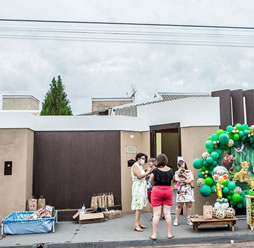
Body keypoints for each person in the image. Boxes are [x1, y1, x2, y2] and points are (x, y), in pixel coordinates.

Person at [149, 154, 175, 240]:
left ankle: (154, 235)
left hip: (157, 191)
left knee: (156, 214)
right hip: (168, 190)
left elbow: (151, 181)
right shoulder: (171, 170)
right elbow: (172, 181)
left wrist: (156, 184)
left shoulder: (155, 170)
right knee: (167, 213)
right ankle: (169, 233)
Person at [131, 152, 152, 232]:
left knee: (140, 206)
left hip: (141, 187)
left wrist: (147, 171)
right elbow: (139, 176)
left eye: (144, 159)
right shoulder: (135, 166)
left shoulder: (140, 166)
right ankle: (136, 224)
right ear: (138, 158)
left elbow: (143, 175)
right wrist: (148, 172)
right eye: (142, 159)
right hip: (137, 187)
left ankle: (138, 223)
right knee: (138, 206)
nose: (143, 160)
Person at [174, 160, 194, 226]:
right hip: (181, 190)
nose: (182, 166)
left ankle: (189, 219)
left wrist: (183, 181)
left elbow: (191, 179)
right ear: (178, 166)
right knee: (179, 205)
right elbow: (177, 180)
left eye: (183, 164)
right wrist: (185, 181)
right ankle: (176, 219)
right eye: (181, 165)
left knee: (189, 205)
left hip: (188, 190)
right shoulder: (176, 172)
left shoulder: (189, 172)